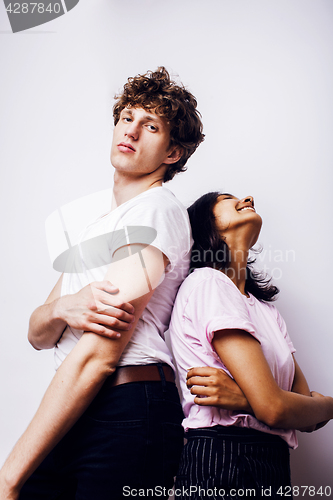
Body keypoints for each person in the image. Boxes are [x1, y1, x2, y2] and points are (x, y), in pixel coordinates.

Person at [0, 67, 204, 500]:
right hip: (79, 404)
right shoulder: (98, 227)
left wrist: (9, 475)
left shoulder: (156, 211)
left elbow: (98, 353)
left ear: (172, 153)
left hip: (127, 404)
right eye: (127, 116)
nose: (131, 130)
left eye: (151, 126)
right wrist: (61, 307)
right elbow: (37, 333)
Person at [169, 192, 333, 499]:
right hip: (222, 456)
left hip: (271, 462)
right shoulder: (209, 283)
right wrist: (319, 405)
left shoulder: (267, 311)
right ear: (207, 225)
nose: (248, 197)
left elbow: (304, 417)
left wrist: (246, 400)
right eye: (227, 198)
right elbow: (278, 409)